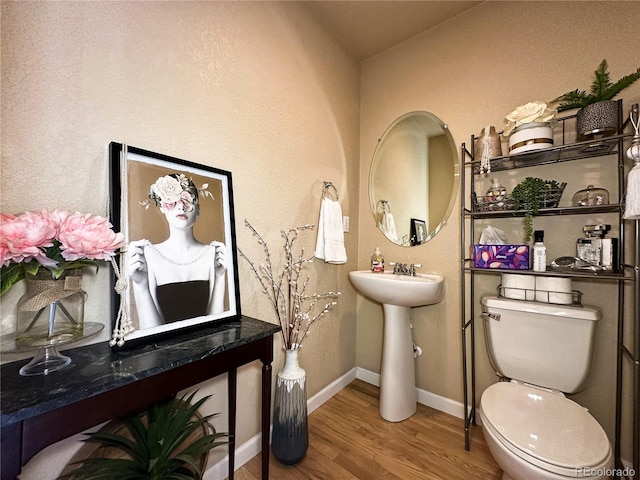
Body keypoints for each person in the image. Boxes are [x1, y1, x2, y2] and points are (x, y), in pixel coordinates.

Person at [126, 173, 227, 329]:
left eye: (187, 200)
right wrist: (140, 285)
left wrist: (220, 277)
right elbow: (152, 332)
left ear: (198, 209)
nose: (181, 206)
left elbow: (216, 325)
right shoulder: (147, 255)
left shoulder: (213, 253)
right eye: (173, 200)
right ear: (162, 206)